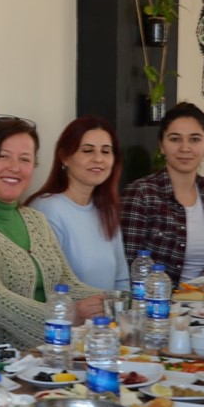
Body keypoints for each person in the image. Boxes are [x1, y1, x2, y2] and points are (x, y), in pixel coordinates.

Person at [0, 116, 105, 351]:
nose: (15, 167)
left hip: (57, 351)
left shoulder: (36, 220)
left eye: (25, 159)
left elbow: (66, 283)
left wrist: (116, 299)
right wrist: (67, 316)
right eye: (3, 156)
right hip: (5, 361)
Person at [121, 102, 204, 284]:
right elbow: (128, 263)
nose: (185, 148)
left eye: (195, 139)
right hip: (160, 300)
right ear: (161, 145)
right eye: (175, 139)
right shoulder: (141, 194)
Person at [27, 115, 130, 291]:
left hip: (110, 309)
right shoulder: (48, 208)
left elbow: (121, 280)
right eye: (87, 150)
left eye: (106, 151)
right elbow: (47, 286)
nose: (98, 159)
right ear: (64, 157)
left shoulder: (107, 210)